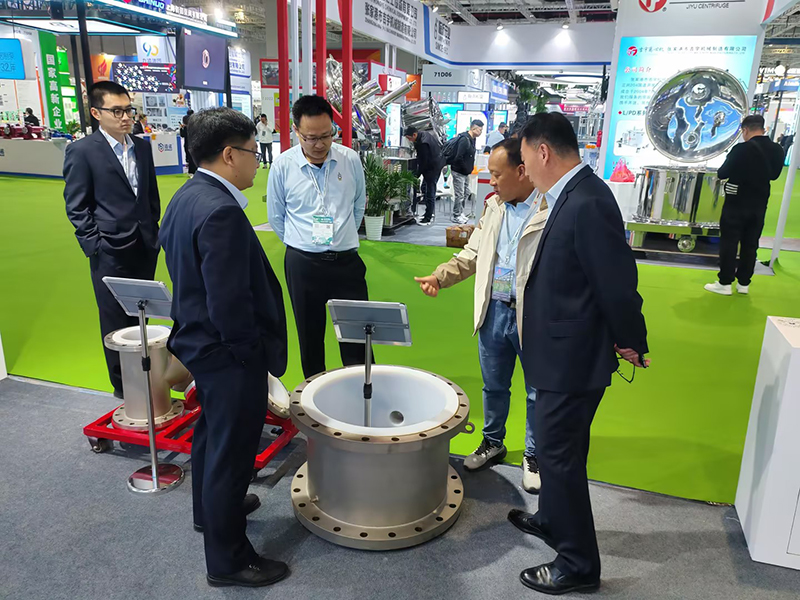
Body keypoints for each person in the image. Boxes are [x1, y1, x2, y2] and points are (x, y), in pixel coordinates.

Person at [510, 112, 649, 595]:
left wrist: (632, 339)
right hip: (558, 354)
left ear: (543, 151)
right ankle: (552, 518)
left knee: (559, 454)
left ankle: (578, 564)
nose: (524, 168)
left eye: (525, 157)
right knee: (558, 451)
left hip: (572, 361)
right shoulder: (568, 195)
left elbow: (617, 285)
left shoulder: (587, 201)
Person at [160, 108, 289, 588]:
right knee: (232, 452)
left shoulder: (187, 195)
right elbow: (229, 300)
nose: (259, 161)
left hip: (198, 342)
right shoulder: (221, 212)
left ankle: (210, 512)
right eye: (255, 152)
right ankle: (229, 559)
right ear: (230, 154)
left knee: (212, 435)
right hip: (226, 353)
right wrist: (247, 353)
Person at [414, 138, 547, 494]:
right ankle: (493, 442)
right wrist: (440, 277)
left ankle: (534, 454)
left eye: (498, 175)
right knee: (494, 386)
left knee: (537, 391)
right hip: (493, 310)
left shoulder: (552, 208)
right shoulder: (494, 206)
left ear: (522, 171)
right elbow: (472, 253)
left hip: (533, 316)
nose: (492, 182)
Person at [63, 81, 160, 399]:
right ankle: (123, 388)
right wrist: (95, 245)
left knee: (142, 313)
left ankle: (146, 378)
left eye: (128, 109)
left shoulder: (141, 147)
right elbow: (76, 206)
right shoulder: (83, 151)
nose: (126, 117)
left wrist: (153, 229)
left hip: (144, 245)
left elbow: (150, 195)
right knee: (114, 318)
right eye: (116, 111)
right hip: (108, 249)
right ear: (96, 113)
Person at [267, 95, 370, 379]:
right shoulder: (283, 165)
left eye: (327, 135)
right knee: (309, 335)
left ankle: (360, 391)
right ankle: (314, 394)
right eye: (311, 138)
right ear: (296, 131)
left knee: (357, 336)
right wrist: (303, 243)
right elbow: (276, 216)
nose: (320, 144)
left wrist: (341, 236)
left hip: (346, 262)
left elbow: (358, 205)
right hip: (303, 263)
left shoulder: (349, 160)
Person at [704, 115, 785, 296]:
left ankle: (725, 282)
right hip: (759, 203)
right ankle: (744, 283)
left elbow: (723, 173)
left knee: (729, 242)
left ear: (745, 130)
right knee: (751, 244)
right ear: (763, 128)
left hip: (736, 202)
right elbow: (774, 175)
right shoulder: (777, 150)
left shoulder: (741, 149)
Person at [404, 125, 444, 225]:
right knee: (427, 190)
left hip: (432, 168)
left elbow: (423, 162)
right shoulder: (425, 134)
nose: (409, 140)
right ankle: (428, 213)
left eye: (409, 138)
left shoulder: (423, 143)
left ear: (414, 134)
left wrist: (417, 175)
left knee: (430, 192)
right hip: (436, 164)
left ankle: (428, 217)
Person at [450, 119, 483, 224]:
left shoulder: (472, 139)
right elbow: (458, 157)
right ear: (473, 128)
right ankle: (456, 215)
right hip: (458, 171)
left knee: (466, 192)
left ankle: (460, 212)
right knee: (459, 194)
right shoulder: (464, 139)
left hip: (465, 172)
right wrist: (465, 168)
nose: (481, 132)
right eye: (480, 130)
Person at [180, 110, 197, 175]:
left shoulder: (185, 127)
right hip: (194, 142)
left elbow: (182, 135)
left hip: (187, 143)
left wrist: (181, 128)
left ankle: (191, 171)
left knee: (189, 158)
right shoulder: (195, 126)